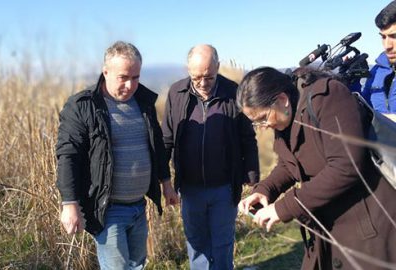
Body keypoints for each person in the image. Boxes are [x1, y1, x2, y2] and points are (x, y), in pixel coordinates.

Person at [237, 66, 396, 269]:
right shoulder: (285, 116)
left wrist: (285, 207)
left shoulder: (329, 97)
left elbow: (345, 165)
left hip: (369, 228)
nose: (263, 127)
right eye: (255, 123)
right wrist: (265, 189)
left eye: (263, 119)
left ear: (282, 99)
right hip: (327, 230)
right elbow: (289, 163)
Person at [56, 41, 178, 270]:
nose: (131, 85)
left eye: (136, 77)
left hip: (138, 206)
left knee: (137, 264)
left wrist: (166, 184)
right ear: (106, 72)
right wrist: (69, 203)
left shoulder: (143, 102)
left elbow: (157, 146)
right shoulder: (83, 106)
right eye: (123, 77)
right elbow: (68, 155)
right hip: (107, 209)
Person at [161, 44, 259, 270]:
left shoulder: (234, 92)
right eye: (196, 78)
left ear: (218, 66)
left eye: (209, 77)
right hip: (190, 188)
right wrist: (164, 181)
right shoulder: (176, 93)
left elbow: (247, 138)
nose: (203, 84)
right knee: (196, 244)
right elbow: (167, 138)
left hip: (224, 188)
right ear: (188, 69)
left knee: (223, 244)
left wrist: (252, 177)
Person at [362, 0, 396, 121]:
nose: (387, 45)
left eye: (394, 36)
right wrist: (350, 83)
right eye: (383, 36)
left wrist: (387, 121)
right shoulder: (377, 70)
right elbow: (363, 105)